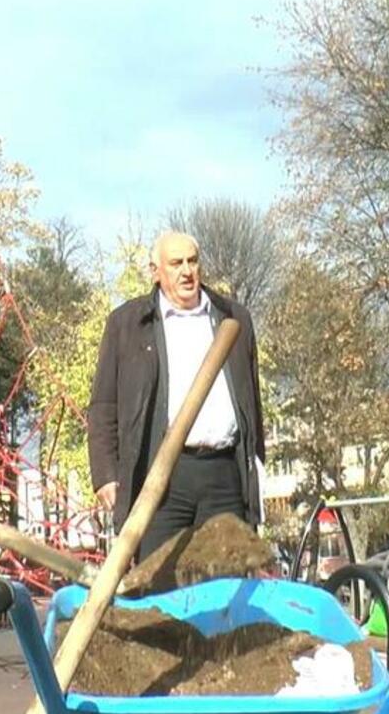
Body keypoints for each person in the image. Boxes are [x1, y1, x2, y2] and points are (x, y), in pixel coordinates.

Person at [87, 230, 266, 560]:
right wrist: (105, 474)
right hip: (160, 479)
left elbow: (252, 402)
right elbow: (103, 405)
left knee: (226, 580)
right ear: (155, 271)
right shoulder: (127, 325)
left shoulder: (233, 319)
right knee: (158, 580)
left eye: (192, 261)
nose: (187, 271)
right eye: (176, 263)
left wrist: (257, 470)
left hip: (224, 474)